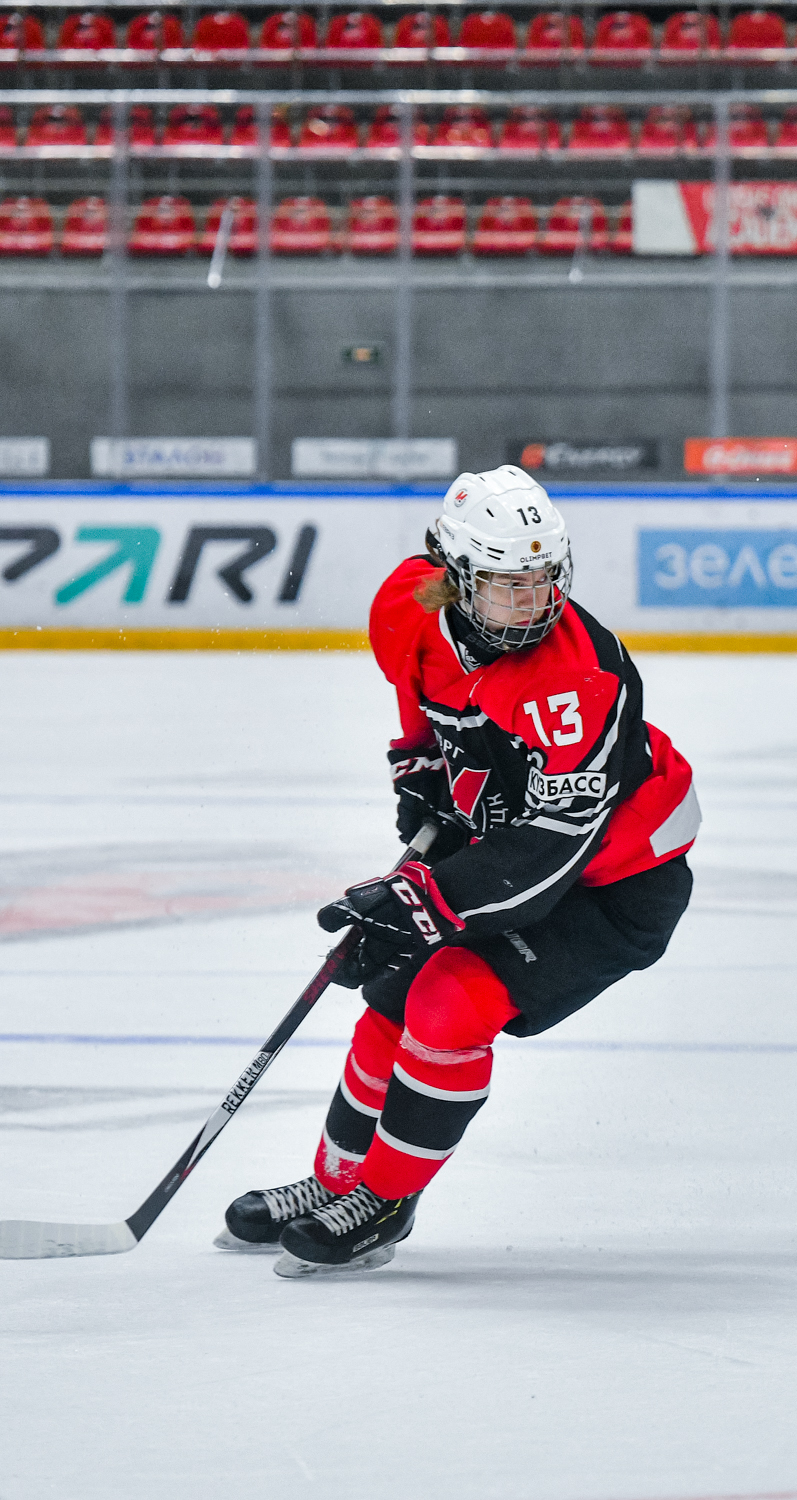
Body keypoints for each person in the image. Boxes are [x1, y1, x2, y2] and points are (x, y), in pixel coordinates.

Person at [217, 466, 699, 1276]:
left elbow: (552, 851)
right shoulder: (407, 606)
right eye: (508, 587)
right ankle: (340, 1183)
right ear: (453, 577)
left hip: (613, 887)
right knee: (389, 1005)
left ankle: (385, 1201)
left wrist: (421, 899)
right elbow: (422, 705)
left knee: (446, 1003)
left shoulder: (580, 680)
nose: (533, 604)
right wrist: (419, 781)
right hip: (504, 847)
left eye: (544, 583)